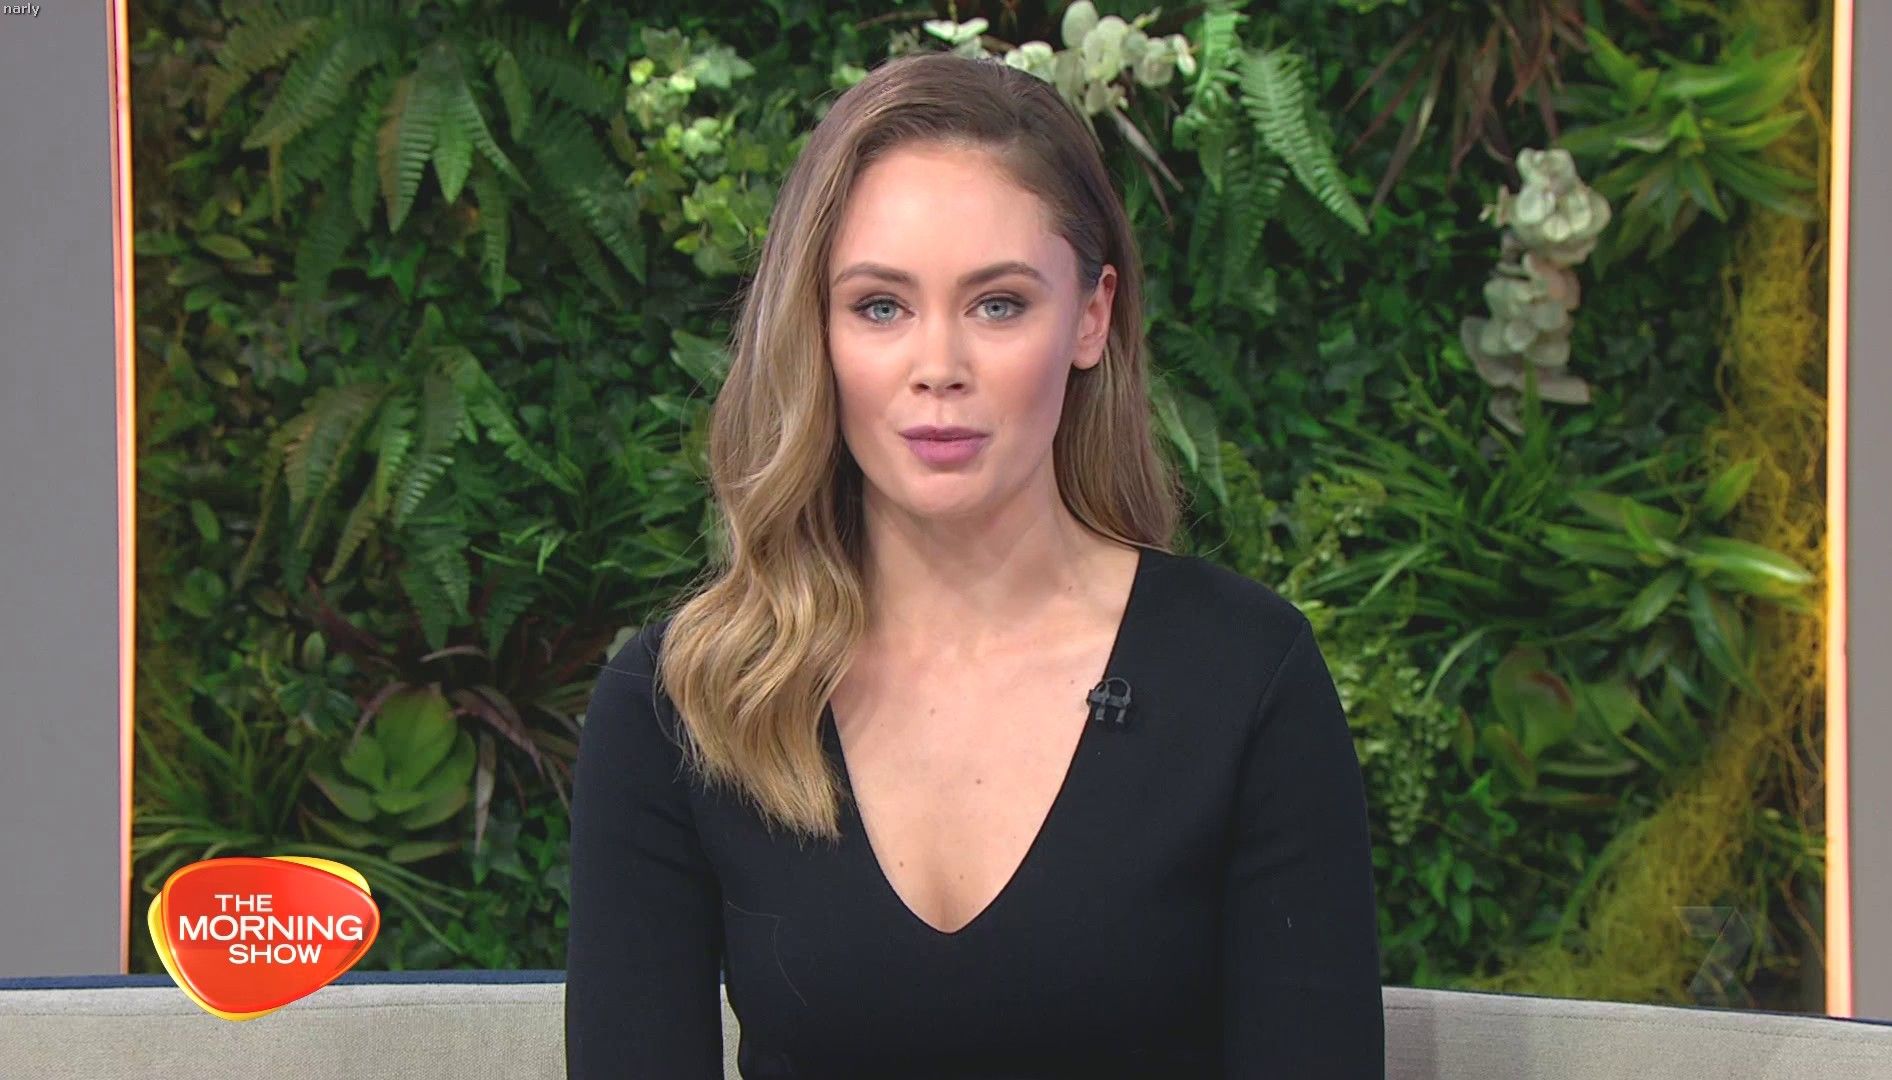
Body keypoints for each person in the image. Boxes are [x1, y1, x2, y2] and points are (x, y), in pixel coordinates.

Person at [566, 51, 1384, 1079]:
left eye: (997, 304)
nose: (938, 368)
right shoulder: (684, 699)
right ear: (815, 330)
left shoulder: (1246, 676)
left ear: (1090, 317)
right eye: (880, 306)